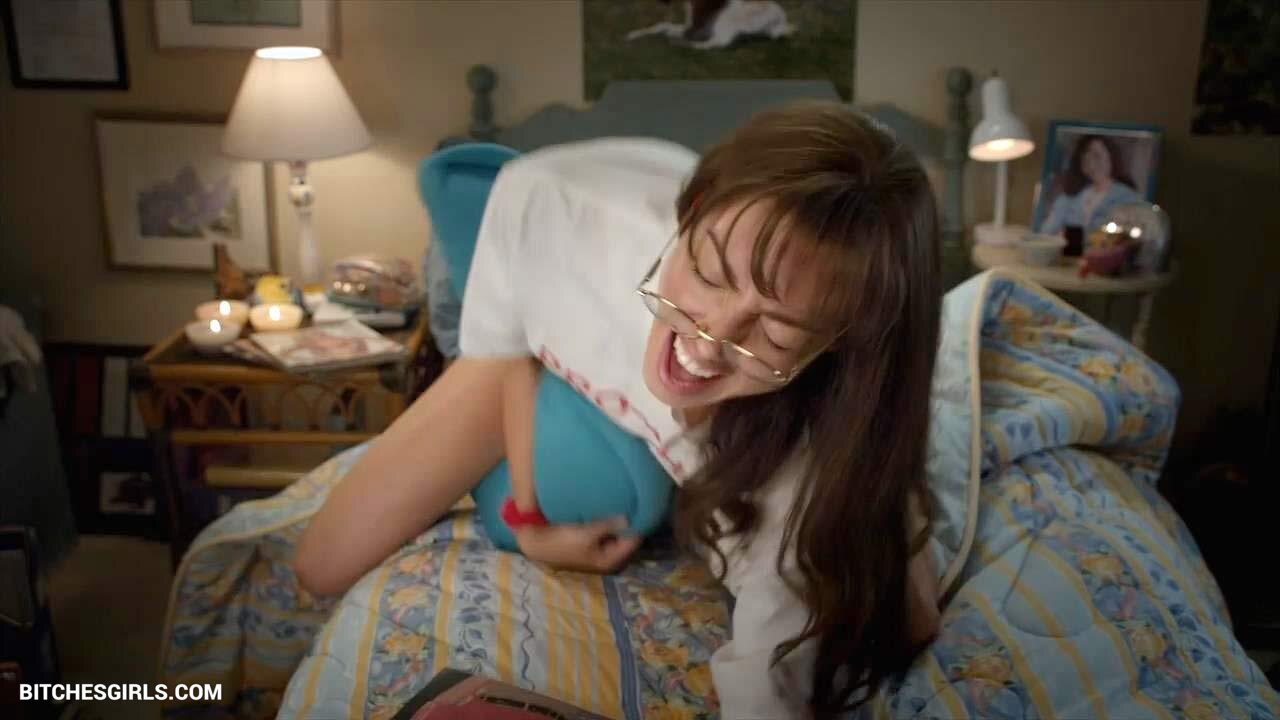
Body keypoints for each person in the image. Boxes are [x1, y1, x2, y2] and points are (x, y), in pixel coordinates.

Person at [295, 102, 942, 719]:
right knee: (319, 566)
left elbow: (768, 687)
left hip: (774, 448)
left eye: (773, 333)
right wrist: (529, 519)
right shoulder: (548, 202)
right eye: (709, 274)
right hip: (547, 311)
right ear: (690, 212)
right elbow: (513, 355)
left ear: (832, 348)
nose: (706, 343)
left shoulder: (799, 482)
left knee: (907, 612)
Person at [1038, 133, 1141, 236]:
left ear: (1111, 157)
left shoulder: (1127, 197)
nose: (1092, 164)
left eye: (1097, 156)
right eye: (1086, 159)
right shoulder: (1068, 198)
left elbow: (1128, 235)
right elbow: (1046, 232)